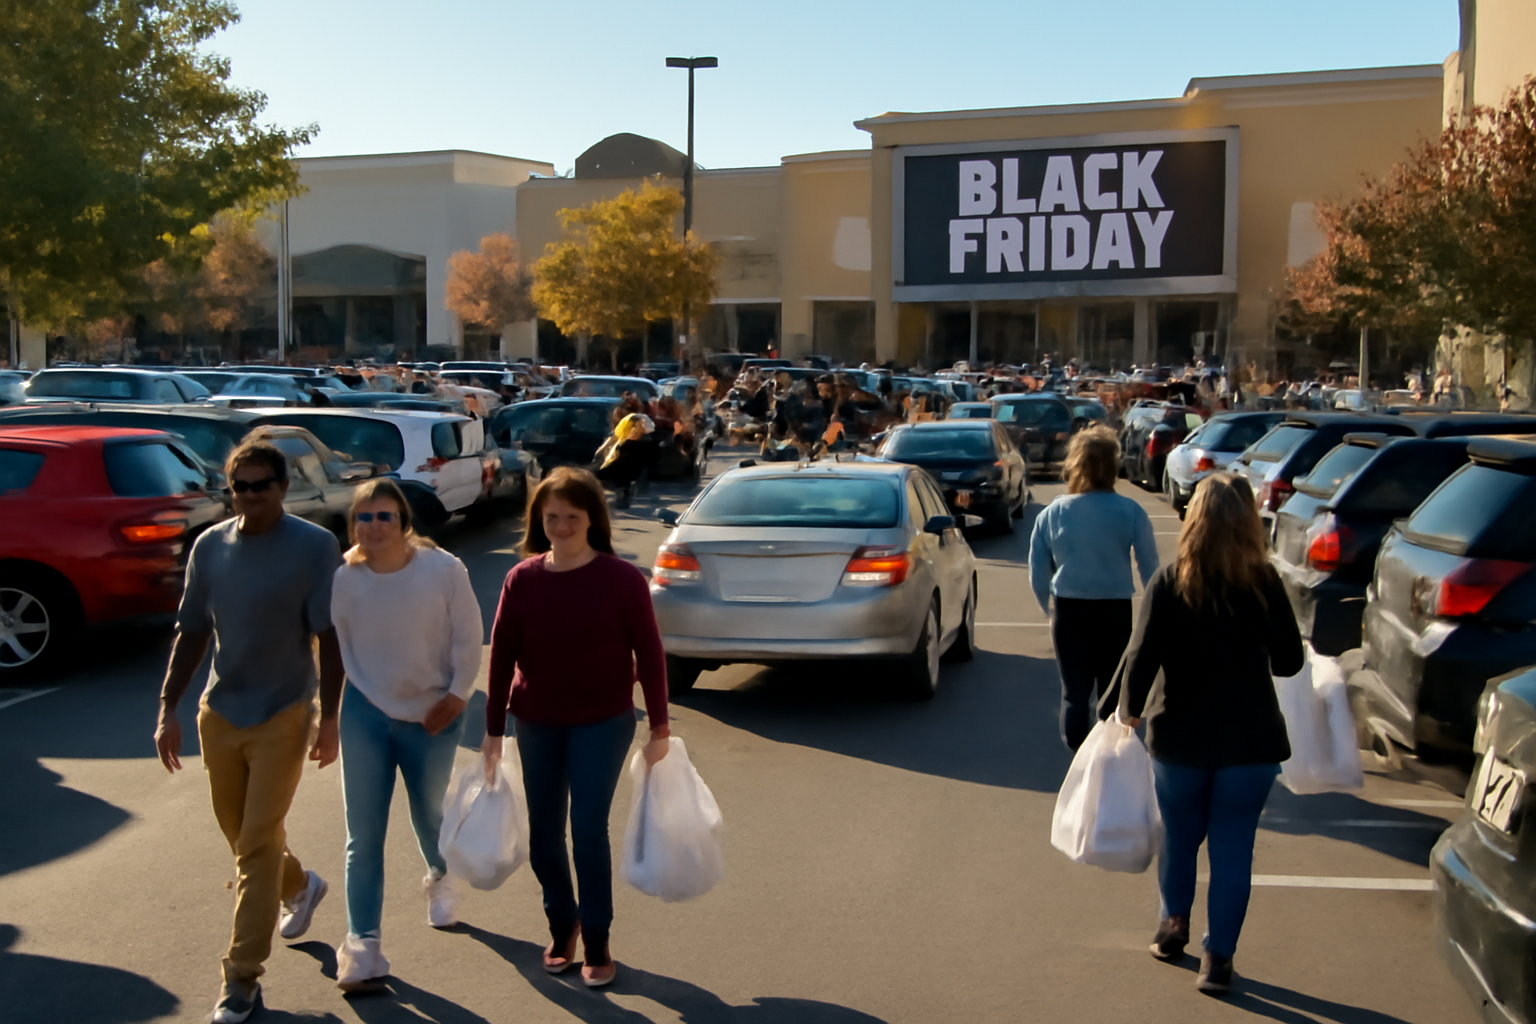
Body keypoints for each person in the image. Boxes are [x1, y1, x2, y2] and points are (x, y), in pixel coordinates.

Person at [154, 440, 344, 1024]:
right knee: (242, 839)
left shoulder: (314, 546)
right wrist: (168, 708)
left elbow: (330, 636)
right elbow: (191, 631)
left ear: (284, 488)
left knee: (256, 844)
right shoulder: (211, 546)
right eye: (240, 487)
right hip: (221, 713)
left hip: (285, 712)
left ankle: (240, 978)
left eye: (262, 485)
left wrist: (330, 717)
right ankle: (299, 885)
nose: (250, 496)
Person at [1099, 473, 1302, 995]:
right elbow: (1289, 662)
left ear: (1194, 520)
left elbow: (1141, 656)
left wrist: (1129, 713)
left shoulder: (1171, 581)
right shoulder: (1265, 582)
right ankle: (1219, 958)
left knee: (1180, 836)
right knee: (1233, 847)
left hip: (1180, 735)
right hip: (1251, 740)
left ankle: (1173, 928)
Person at [482, 467, 670, 988]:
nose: (561, 526)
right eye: (551, 517)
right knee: (544, 834)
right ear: (538, 521)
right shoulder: (522, 579)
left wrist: (659, 726)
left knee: (587, 831)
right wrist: (493, 730)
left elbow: (650, 653)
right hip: (537, 721)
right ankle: (562, 925)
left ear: (592, 520)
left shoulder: (621, 579)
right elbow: (501, 656)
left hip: (602, 722)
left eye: (572, 516)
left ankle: (598, 940)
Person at [327, 479, 484, 992]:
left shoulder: (443, 569)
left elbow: (468, 637)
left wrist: (456, 697)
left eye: (385, 516)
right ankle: (362, 946)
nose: (374, 526)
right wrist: (325, 714)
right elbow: (337, 645)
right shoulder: (345, 579)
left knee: (428, 812)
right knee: (362, 833)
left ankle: (439, 877)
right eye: (364, 517)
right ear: (353, 525)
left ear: (403, 522)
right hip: (366, 711)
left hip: (434, 710)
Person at [1028, 426, 1158, 752]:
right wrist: (1155, 612)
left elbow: (1037, 571)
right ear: (1114, 465)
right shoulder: (1131, 511)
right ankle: (1108, 755)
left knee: (1074, 694)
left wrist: (1047, 609)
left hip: (1069, 609)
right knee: (1111, 693)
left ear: (1075, 465)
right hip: (1115, 609)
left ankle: (1078, 755)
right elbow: (1150, 568)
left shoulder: (1054, 512)